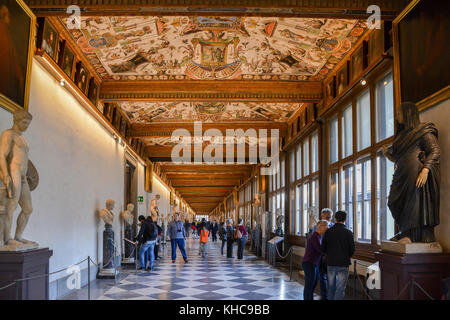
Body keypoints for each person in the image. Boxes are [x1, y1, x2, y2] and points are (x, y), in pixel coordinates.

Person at [383, 102, 441, 243]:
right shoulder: (402, 135)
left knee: (414, 203)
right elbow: (399, 157)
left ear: (408, 113)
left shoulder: (422, 131)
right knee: (394, 202)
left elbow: (435, 150)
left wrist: (426, 170)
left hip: (415, 173)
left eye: (398, 113)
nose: (397, 117)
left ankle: (412, 235)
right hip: (401, 173)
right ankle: (405, 232)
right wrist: (388, 154)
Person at [321, 211, 355, 300]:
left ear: (335, 219)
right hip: (344, 263)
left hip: (331, 262)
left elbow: (323, 248)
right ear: (345, 220)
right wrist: (345, 255)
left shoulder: (328, 232)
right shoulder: (348, 232)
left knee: (330, 287)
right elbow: (352, 250)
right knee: (340, 288)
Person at [302, 220, 329, 300]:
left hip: (314, 263)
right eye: (326, 227)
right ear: (320, 227)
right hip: (309, 263)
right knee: (309, 284)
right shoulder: (315, 236)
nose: (327, 229)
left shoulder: (319, 236)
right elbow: (319, 249)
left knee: (313, 283)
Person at [312, 208, 334, 300]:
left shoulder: (333, 226)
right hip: (320, 255)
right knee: (322, 276)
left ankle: (331, 296)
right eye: (327, 217)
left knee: (332, 277)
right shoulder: (316, 227)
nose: (329, 219)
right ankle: (324, 295)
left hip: (331, 256)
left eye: (330, 217)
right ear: (322, 215)